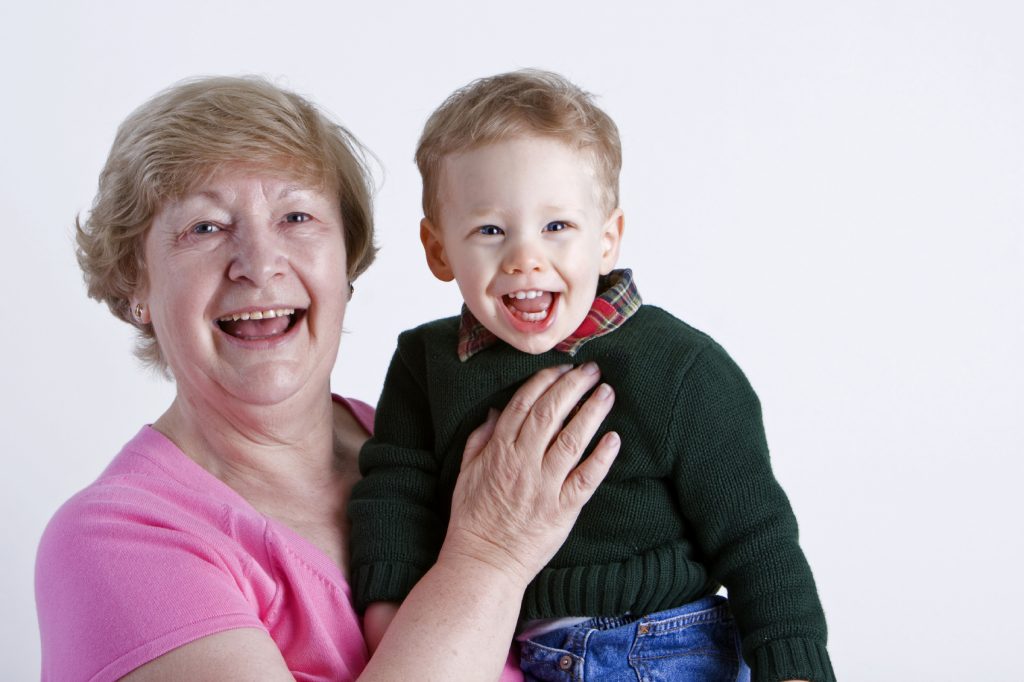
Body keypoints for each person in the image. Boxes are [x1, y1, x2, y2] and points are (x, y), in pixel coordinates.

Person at [34, 75, 624, 682]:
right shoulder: (114, 543)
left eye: (296, 216)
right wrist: (489, 557)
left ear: (347, 261)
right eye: (204, 228)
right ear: (136, 283)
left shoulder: (434, 445)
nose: (260, 265)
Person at [348, 70, 836, 681]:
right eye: (490, 230)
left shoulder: (679, 366)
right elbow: (396, 495)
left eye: (557, 227)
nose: (526, 256)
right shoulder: (426, 364)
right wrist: (391, 616)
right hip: (504, 647)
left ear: (607, 240)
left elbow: (757, 534)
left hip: (665, 641)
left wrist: (793, 667)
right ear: (439, 249)